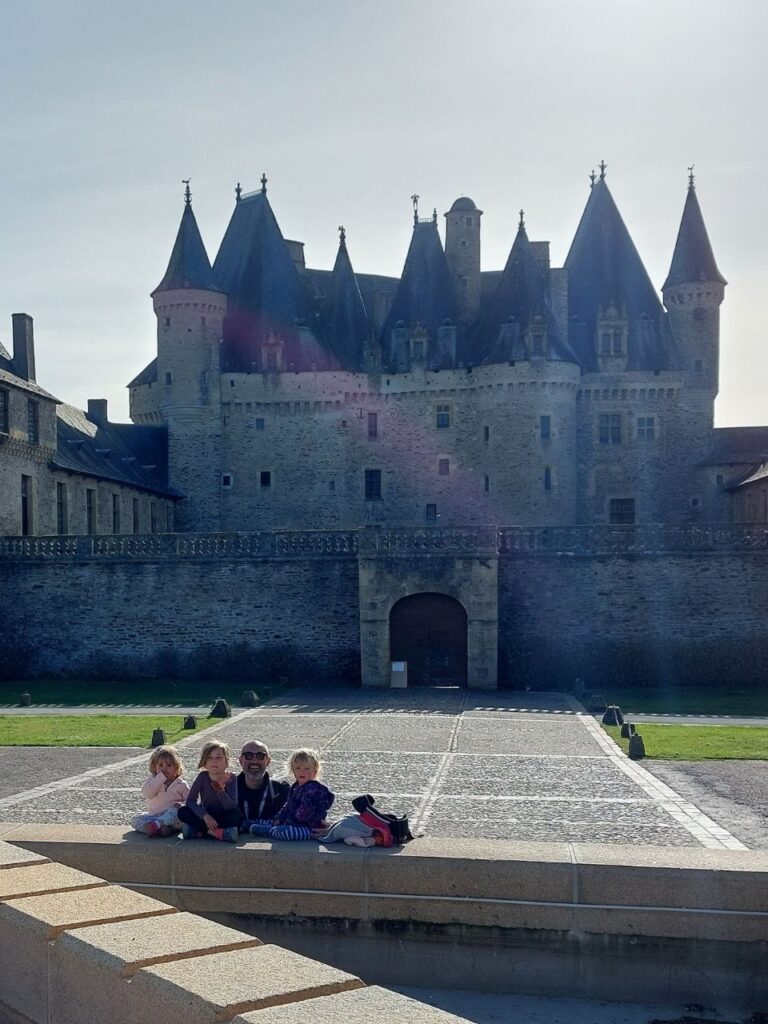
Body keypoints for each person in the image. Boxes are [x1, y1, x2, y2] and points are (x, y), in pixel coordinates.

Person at [247, 748, 334, 841]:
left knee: (287, 833)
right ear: (293, 770)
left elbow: (304, 813)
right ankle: (251, 823)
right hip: (292, 821)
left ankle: (268, 831)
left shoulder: (314, 790)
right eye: (298, 768)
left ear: (315, 771)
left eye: (307, 768)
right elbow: (288, 806)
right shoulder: (296, 787)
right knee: (273, 821)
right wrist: (279, 818)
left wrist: (289, 820)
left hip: (309, 827)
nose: (302, 771)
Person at [177, 739, 243, 842]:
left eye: (219, 757)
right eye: (209, 758)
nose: (214, 761)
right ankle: (217, 833)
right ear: (204, 762)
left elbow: (231, 806)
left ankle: (197, 831)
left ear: (226, 761)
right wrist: (205, 816)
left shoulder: (231, 778)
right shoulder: (202, 777)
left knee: (237, 816)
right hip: (205, 814)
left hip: (223, 816)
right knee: (182, 812)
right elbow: (190, 801)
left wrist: (220, 790)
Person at [131, 745, 189, 837]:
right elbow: (148, 794)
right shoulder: (152, 780)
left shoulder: (180, 784)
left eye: (169, 765)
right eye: (160, 765)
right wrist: (159, 779)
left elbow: (191, 801)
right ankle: (160, 829)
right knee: (135, 819)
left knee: (176, 812)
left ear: (176, 767)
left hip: (172, 818)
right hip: (154, 816)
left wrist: (181, 805)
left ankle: (161, 826)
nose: (164, 768)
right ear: (155, 766)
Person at [237, 740, 290, 832]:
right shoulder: (227, 789)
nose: (254, 760)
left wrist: (321, 827)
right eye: (248, 755)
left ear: (268, 761)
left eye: (260, 756)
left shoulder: (281, 791)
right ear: (241, 760)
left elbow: (299, 817)